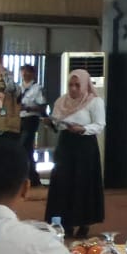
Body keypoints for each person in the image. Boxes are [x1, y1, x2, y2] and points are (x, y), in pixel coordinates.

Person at [46, 69, 105, 238]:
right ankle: (65, 222)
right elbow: (57, 123)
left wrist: (83, 129)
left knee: (83, 182)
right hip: (65, 145)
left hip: (85, 146)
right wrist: (51, 123)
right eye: (70, 85)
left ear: (85, 85)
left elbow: (100, 125)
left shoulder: (94, 102)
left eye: (77, 85)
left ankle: (84, 223)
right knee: (63, 182)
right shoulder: (61, 101)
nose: (73, 88)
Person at [18, 64, 48, 187]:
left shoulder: (37, 88)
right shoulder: (17, 88)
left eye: (27, 72)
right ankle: (32, 177)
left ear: (33, 74)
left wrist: (27, 108)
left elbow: (42, 106)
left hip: (31, 119)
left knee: (24, 146)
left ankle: (28, 177)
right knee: (26, 149)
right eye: (23, 72)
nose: (24, 74)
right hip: (18, 120)